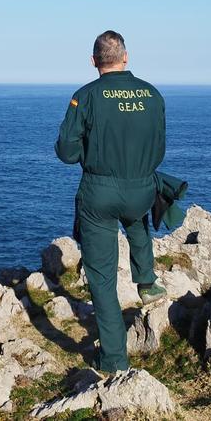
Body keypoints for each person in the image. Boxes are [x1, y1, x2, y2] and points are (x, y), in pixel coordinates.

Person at [55, 31, 167, 373]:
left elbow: (67, 152)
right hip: (142, 187)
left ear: (93, 61)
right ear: (126, 57)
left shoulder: (85, 96)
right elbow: (159, 147)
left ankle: (115, 359)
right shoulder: (152, 94)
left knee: (102, 276)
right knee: (136, 216)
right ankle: (146, 279)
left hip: (99, 193)